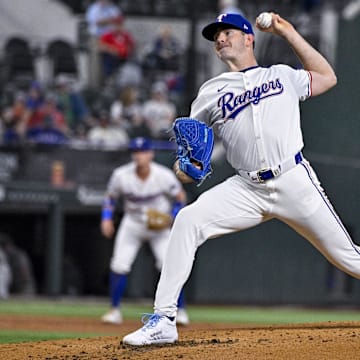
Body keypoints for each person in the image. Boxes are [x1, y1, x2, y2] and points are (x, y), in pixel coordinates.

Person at [122, 12, 358, 346]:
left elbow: (326, 76)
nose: (220, 38)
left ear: (249, 38)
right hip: (246, 187)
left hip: (293, 179)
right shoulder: (210, 91)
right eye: (215, 35)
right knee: (188, 219)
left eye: (227, 32)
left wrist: (286, 31)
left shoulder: (282, 75)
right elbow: (186, 163)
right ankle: (164, 319)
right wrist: (186, 170)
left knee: (350, 259)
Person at [100, 137, 189, 326]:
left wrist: (173, 216)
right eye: (135, 152)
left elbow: (180, 197)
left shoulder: (163, 175)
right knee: (119, 265)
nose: (138, 156)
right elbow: (110, 198)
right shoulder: (121, 175)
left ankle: (180, 310)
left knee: (169, 265)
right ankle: (114, 310)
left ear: (150, 154)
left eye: (142, 152)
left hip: (159, 226)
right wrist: (106, 218)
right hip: (132, 223)